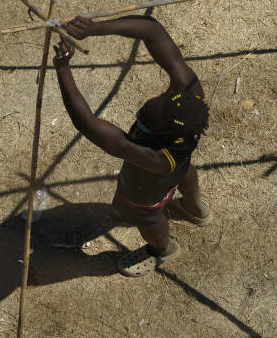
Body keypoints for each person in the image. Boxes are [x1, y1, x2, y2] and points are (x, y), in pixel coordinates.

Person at [52, 16, 213, 277]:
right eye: (166, 98)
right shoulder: (188, 91)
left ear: (166, 130)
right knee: (184, 172)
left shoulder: (157, 158)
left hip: (151, 185)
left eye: (162, 110)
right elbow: (152, 30)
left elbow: (87, 124)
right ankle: (197, 210)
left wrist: (62, 69)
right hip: (179, 168)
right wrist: (95, 29)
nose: (159, 102)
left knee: (146, 216)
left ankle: (163, 248)